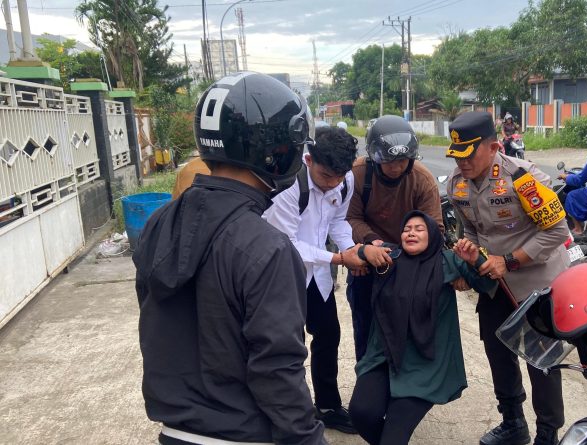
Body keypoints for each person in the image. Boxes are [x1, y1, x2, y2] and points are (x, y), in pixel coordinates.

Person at [133, 73, 327, 445]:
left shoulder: (160, 222)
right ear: (275, 149)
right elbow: (277, 368)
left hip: (174, 432)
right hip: (243, 434)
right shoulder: (267, 247)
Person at [446, 111, 570, 445]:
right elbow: (471, 228)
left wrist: (508, 261)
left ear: (493, 147)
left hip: (537, 284)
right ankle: (513, 423)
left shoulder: (522, 178)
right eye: (456, 156)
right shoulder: (457, 183)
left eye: (468, 155)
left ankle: (548, 434)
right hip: (494, 284)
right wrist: (471, 254)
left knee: (541, 361)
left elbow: (558, 231)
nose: (462, 163)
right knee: (498, 351)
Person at [348, 211, 497, 445]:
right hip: (384, 356)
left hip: (425, 364)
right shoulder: (389, 257)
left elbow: (487, 283)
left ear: (433, 235)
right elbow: (352, 255)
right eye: (406, 229)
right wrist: (364, 250)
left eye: (419, 229)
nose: (411, 233)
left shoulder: (448, 261)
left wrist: (474, 260)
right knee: (361, 414)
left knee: (394, 435)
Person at [262, 126, 363, 434]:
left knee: (328, 336)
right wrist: (339, 259)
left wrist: (351, 248)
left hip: (317, 277)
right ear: (308, 160)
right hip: (282, 276)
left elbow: (338, 221)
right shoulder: (288, 187)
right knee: (285, 348)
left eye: (338, 176)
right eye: (325, 175)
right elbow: (286, 243)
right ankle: (283, 415)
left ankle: (328, 407)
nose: (332, 183)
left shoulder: (345, 181)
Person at [346, 115, 443, 361]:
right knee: (365, 327)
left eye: (402, 160)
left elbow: (435, 229)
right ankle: (367, 372)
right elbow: (350, 218)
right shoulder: (357, 174)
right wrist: (369, 243)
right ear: (373, 156)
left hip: (408, 265)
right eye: (388, 161)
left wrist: (408, 253)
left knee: (407, 330)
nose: (395, 167)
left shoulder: (423, 180)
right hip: (368, 260)